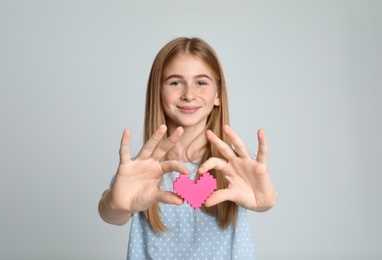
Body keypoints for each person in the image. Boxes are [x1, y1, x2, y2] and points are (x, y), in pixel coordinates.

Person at [98, 37, 277, 259]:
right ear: (158, 92)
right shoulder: (142, 170)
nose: (189, 94)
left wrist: (265, 201)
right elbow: (112, 214)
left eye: (201, 82)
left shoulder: (236, 166)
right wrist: (116, 205)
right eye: (175, 82)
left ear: (218, 94)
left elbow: (262, 200)